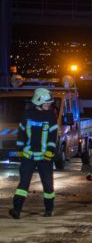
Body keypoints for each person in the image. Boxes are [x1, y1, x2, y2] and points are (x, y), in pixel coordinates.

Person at [8, 88, 58, 219]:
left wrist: (50, 151)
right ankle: (16, 210)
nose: (49, 105)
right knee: (23, 185)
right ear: (38, 101)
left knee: (48, 184)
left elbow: (53, 137)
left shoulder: (51, 116)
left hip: (44, 157)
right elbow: (21, 135)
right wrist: (19, 151)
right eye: (47, 103)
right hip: (28, 156)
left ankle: (49, 209)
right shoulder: (27, 115)